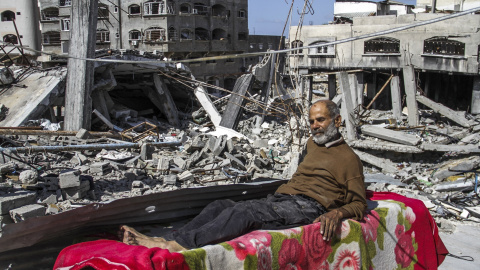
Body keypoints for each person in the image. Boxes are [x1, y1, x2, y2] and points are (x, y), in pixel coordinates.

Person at [119, 100, 367, 252]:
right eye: (312, 121)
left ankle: (175, 247)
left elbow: (359, 203)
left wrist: (336, 213)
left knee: (243, 213)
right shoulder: (313, 145)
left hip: (308, 207)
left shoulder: (349, 160)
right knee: (221, 205)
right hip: (283, 200)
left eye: (321, 120)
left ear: (337, 120)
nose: (314, 126)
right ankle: (166, 238)